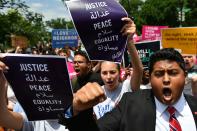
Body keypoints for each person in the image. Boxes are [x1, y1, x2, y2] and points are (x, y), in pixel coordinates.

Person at [59, 48, 197, 131]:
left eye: (173, 73)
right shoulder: (130, 103)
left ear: (185, 76)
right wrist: (78, 111)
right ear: (150, 78)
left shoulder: (194, 106)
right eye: (159, 74)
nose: (166, 80)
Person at [93, 17, 143, 119]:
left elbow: (138, 69)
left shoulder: (126, 87)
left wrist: (129, 40)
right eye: (104, 73)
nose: (108, 77)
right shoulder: (96, 94)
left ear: (119, 72)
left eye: (112, 72)